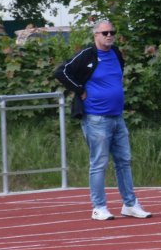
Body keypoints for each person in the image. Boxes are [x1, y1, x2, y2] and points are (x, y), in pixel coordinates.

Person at [53, 19, 152, 221]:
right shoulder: (87, 55)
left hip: (117, 117)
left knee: (124, 161)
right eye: (105, 33)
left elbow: (116, 76)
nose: (109, 36)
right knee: (99, 163)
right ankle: (99, 207)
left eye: (112, 32)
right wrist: (79, 89)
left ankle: (130, 204)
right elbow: (60, 72)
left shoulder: (116, 53)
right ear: (95, 35)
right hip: (96, 118)